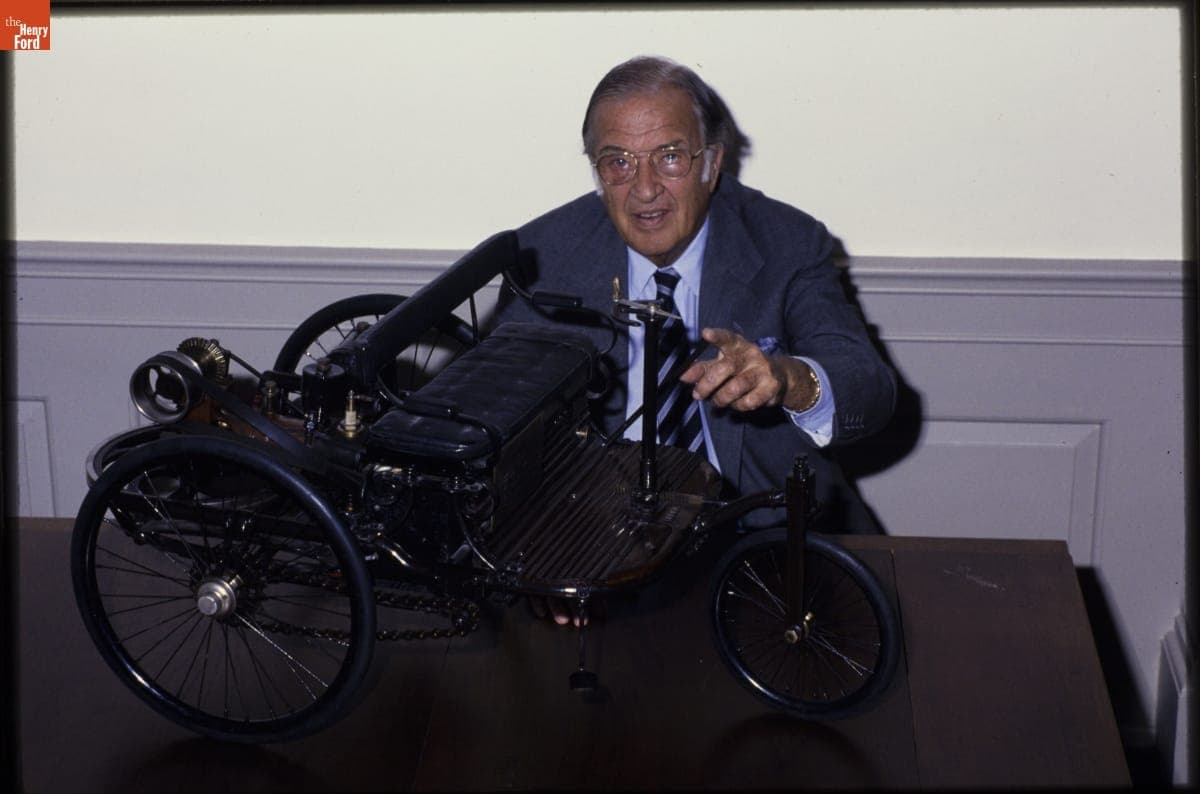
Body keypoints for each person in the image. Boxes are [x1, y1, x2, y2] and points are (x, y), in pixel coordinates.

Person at [492, 55, 897, 623]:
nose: (645, 189)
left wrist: (789, 379)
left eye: (670, 156)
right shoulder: (543, 257)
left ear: (712, 163)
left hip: (768, 541)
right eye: (618, 162)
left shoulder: (786, 241)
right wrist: (536, 547)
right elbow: (495, 425)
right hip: (601, 549)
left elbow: (869, 388)